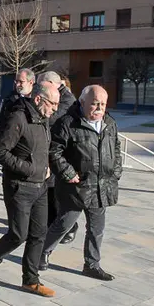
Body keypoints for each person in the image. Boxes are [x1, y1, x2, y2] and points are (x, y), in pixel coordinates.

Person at [0, 83, 59, 297]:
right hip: (19, 187)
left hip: (41, 187)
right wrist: (31, 169)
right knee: (18, 234)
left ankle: (30, 280)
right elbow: (0, 152)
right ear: (38, 100)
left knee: (38, 234)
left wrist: (47, 168)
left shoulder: (44, 119)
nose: (55, 109)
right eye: (52, 103)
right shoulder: (18, 118)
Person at [41, 85, 121, 281]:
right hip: (76, 187)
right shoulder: (67, 123)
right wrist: (67, 172)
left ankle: (92, 264)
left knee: (97, 229)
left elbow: (116, 148)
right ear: (82, 102)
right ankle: (42, 252)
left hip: (101, 186)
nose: (99, 108)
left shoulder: (109, 123)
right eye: (94, 104)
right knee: (63, 224)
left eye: (102, 104)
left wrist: (116, 170)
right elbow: (54, 151)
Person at [37, 71, 79, 251]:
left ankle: (69, 227)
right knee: (50, 193)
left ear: (52, 84)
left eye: (43, 85)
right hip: (51, 151)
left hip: (60, 153)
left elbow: (52, 118)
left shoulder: (67, 99)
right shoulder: (58, 94)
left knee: (55, 194)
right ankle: (53, 226)